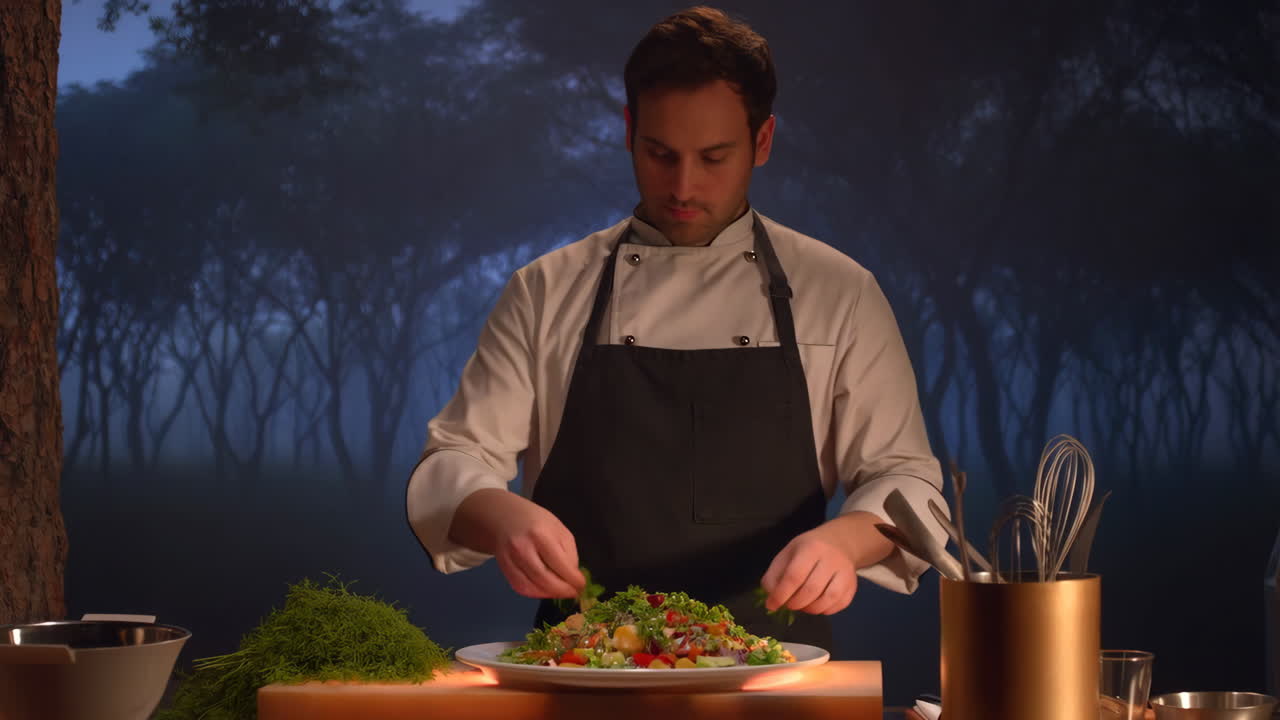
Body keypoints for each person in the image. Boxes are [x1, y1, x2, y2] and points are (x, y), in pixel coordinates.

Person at [406, 6, 947, 650]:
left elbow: (907, 478)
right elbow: (456, 459)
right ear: (629, 132)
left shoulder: (840, 292)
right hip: (582, 664)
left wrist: (844, 540)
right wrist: (503, 519)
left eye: (714, 157)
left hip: (776, 667)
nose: (684, 186)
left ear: (763, 141)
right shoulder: (546, 291)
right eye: (661, 154)